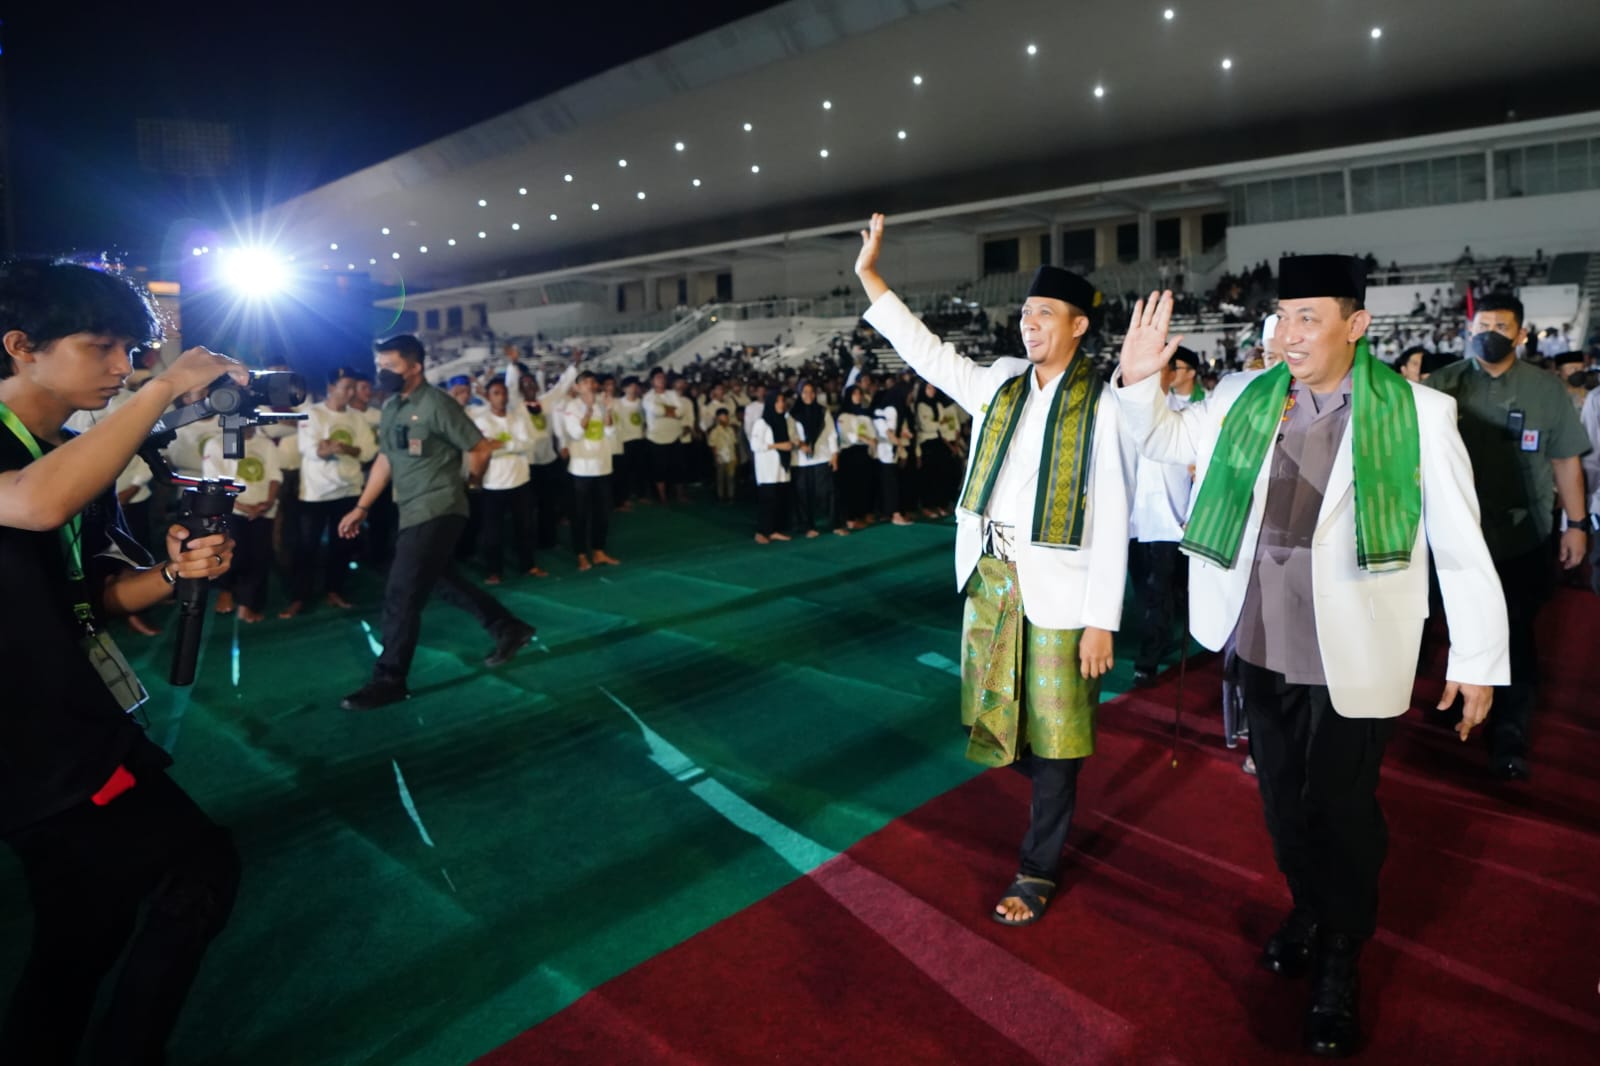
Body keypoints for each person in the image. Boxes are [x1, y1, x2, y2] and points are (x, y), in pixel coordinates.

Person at [1116, 256, 1509, 1058]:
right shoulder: (1245, 397)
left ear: (1355, 325)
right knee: (1280, 806)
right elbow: (1159, 438)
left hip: (1354, 649)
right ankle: (1309, 906)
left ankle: (1339, 957)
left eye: (1308, 318)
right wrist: (1138, 377)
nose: (1288, 335)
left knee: (1342, 808)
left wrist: (1475, 656)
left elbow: (1460, 540)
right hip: (1262, 639)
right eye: (1281, 318)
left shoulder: (1419, 413)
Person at [0, 259, 246, 1064]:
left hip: (68, 716)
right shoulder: (59, 465)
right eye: (100, 346)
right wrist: (161, 389)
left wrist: (175, 573)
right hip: (28, 738)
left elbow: (97, 595)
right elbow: (34, 503)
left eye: (130, 350)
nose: (120, 366)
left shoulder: (80, 454)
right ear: (20, 346)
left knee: (82, 933)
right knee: (197, 868)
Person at [856, 214, 1128, 929]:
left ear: (1078, 327)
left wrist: (1102, 618)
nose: (1029, 322)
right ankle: (1053, 786)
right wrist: (872, 279)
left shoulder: (1103, 405)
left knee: (1057, 739)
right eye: (1026, 311)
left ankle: (1038, 867)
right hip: (994, 581)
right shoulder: (1002, 384)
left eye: (1045, 313)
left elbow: (1114, 515)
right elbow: (928, 355)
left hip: (1062, 594)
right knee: (997, 722)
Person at [1423, 294, 1590, 780]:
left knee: (1515, 634)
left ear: (1521, 334)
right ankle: (1463, 706)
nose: (1489, 333)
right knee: (1457, 628)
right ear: (1468, 329)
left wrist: (1576, 525)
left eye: (1500, 326)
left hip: (1522, 537)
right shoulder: (1442, 385)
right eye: (1482, 325)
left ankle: (1510, 733)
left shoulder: (1545, 390)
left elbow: (1565, 461)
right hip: (1455, 540)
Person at [336, 335, 535, 711]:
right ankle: (507, 627)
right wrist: (362, 507)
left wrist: (472, 482)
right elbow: (385, 460)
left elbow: (479, 448)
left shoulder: (438, 404)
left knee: (401, 594)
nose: (383, 373)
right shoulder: (392, 406)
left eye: (391, 366)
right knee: (442, 580)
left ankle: (389, 680)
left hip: (439, 507)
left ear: (415, 366)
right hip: (411, 510)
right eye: (380, 366)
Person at [1124, 347, 1202, 687]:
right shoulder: (1127, 413)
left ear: (1170, 374)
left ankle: (1149, 660)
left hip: (1171, 521)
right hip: (1135, 521)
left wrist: (1192, 514)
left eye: (1159, 370)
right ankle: (1161, 638)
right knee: (1144, 591)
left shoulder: (1186, 414)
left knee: (1160, 592)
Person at [283, 366, 376, 618]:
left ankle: (334, 590)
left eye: (353, 388)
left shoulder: (357, 418)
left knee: (342, 545)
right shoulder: (313, 414)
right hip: (316, 492)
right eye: (346, 387)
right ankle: (300, 596)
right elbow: (310, 449)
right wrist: (335, 449)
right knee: (307, 546)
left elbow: (368, 452)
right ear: (331, 387)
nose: (351, 392)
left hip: (348, 490)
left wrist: (340, 447)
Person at [203, 426, 282, 623]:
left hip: (262, 510)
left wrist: (268, 502)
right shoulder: (217, 444)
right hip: (231, 510)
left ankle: (248, 604)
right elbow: (214, 483)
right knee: (234, 554)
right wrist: (241, 506)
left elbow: (274, 476)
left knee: (259, 556)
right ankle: (226, 591)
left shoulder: (265, 444)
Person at [470, 376, 544, 583]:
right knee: (493, 531)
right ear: (488, 397)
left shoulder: (518, 418)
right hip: (493, 484)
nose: (501, 397)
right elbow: (485, 450)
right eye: (496, 393)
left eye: (503, 393)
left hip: (520, 481)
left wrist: (502, 445)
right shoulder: (482, 421)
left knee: (525, 527)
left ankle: (528, 565)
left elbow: (529, 444)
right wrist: (513, 446)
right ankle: (495, 571)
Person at [559, 370, 621, 570]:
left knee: (602, 513)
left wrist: (608, 410)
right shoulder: (572, 407)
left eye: (593, 381)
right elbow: (576, 433)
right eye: (585, 382)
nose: (590, 385)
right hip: (581, 470)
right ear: (577, 387)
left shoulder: (603, 403)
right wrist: (588, 410)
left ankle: (599, 551)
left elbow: (610, 431)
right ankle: (581, 554)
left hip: (603, 466)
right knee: (580, 514)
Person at [790, 380, 845, 537]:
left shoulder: (822, 411)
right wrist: (800, 444)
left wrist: (834, 455)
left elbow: (831, 434)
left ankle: (835, 524)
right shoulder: (793, 414)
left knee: (828, 492)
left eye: (811, 392)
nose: (808, 395)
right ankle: (808, 526)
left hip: (822, 456)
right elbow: (790, 433)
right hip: (801, 460)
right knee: (803, 495)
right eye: (805, 392)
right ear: (799, 394)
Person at [750, 391, 796, 544]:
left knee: (779, 500)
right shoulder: (762, 423)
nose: (781, 404)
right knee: (768, 500)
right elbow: (755, 445)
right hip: (767, 470)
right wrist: (778, 446)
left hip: (781, 468)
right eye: (777, 401)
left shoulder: (784, 421)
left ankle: (774, 530)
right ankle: (762, 531)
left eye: (782, 401)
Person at [643, 368, 688, 504]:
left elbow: (681, 411)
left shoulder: (672, 394)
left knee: (678, 467)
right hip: (656, 438)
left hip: (674, 435)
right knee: (659, 469)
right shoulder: (648, 397)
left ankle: (680, 495)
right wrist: (671, 410)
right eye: (658, 377)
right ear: (652, 381)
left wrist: (666, 411)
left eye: (663, 377)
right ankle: (663, 498)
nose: (661, 380)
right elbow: (657, 411)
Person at [707, 407, 739, 502]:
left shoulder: (731, 430)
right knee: (720, 478)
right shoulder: (715, 431)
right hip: (720, 457)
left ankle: (731, 496)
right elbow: (712, 445)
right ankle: (720, 496)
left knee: (731, 477)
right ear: (718, 418)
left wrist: (736, 456)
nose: (725, 419)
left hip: (731, 457)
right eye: (723, 417)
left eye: (726, 417)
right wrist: (715, 457)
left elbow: (734, 443)